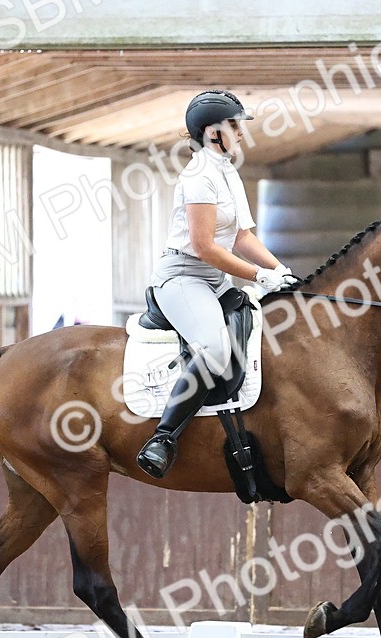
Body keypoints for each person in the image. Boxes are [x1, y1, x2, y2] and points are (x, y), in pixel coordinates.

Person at [135, 90, 299, 479]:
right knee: (212, 349)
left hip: (214, 280)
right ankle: (162, 438)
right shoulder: (198, 177)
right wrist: (260, 276)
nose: (242, 133)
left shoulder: (227, 171)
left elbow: (241, 236)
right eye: (235, 126)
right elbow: (204, 246)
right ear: (213, 133)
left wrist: (282, 270)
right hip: (183, 278)